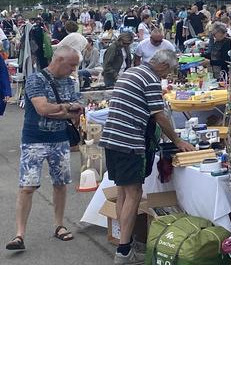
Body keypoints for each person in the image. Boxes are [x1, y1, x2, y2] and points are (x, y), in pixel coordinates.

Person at [98, 49, 192, 263]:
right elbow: (159, 115)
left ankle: (126, 242)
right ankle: (123, 251)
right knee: (134, 193)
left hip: (112, 138)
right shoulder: (150, 78)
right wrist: (178, 141)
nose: (167, 76)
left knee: (123, 192)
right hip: (129, 141)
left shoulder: (132, 71)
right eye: (169, 71)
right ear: (164, 66)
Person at [6, 47, 84, 252]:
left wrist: (59, 110)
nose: (74, 69)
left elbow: (78, 109)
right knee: (27, 187)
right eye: (72, 65)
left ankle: (59, 225)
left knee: (61, 184)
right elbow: (42, 109)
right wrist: (66, 108)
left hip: (60, 140)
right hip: (34, 140)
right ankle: (19, 234)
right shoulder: (35, 80)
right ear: (59, 60)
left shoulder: (70, 82)